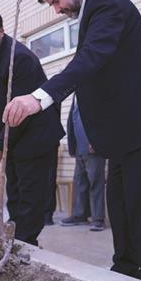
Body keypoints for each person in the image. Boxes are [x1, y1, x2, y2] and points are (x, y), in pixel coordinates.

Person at [3, 0, 141, 281]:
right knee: (119, 203)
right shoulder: (93, 12)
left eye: (56, 1)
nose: (56, 10)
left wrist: (39, 98)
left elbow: (90, 59)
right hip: (123, 133)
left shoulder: (107, 5)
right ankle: (126, 268)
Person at [0, 6, 64, 246]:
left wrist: (0, 144)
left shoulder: (19, 59)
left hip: (34, 135)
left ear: (0, 31)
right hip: (13, 135)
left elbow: (20, 112)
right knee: (15, 191)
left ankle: (26, 244)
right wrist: (0, 140)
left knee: (30, 196)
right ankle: (16, 238)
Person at [60, 97, 106, 231]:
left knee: (95, 183)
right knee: (80, 182)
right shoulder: (76, 96)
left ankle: (98, 219)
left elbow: (102, 119)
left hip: (93, 147)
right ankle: (80, 215)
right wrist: (72, 146)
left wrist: (97, 141)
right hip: (79, 147)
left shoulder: (96, 94)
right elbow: (72, 121)